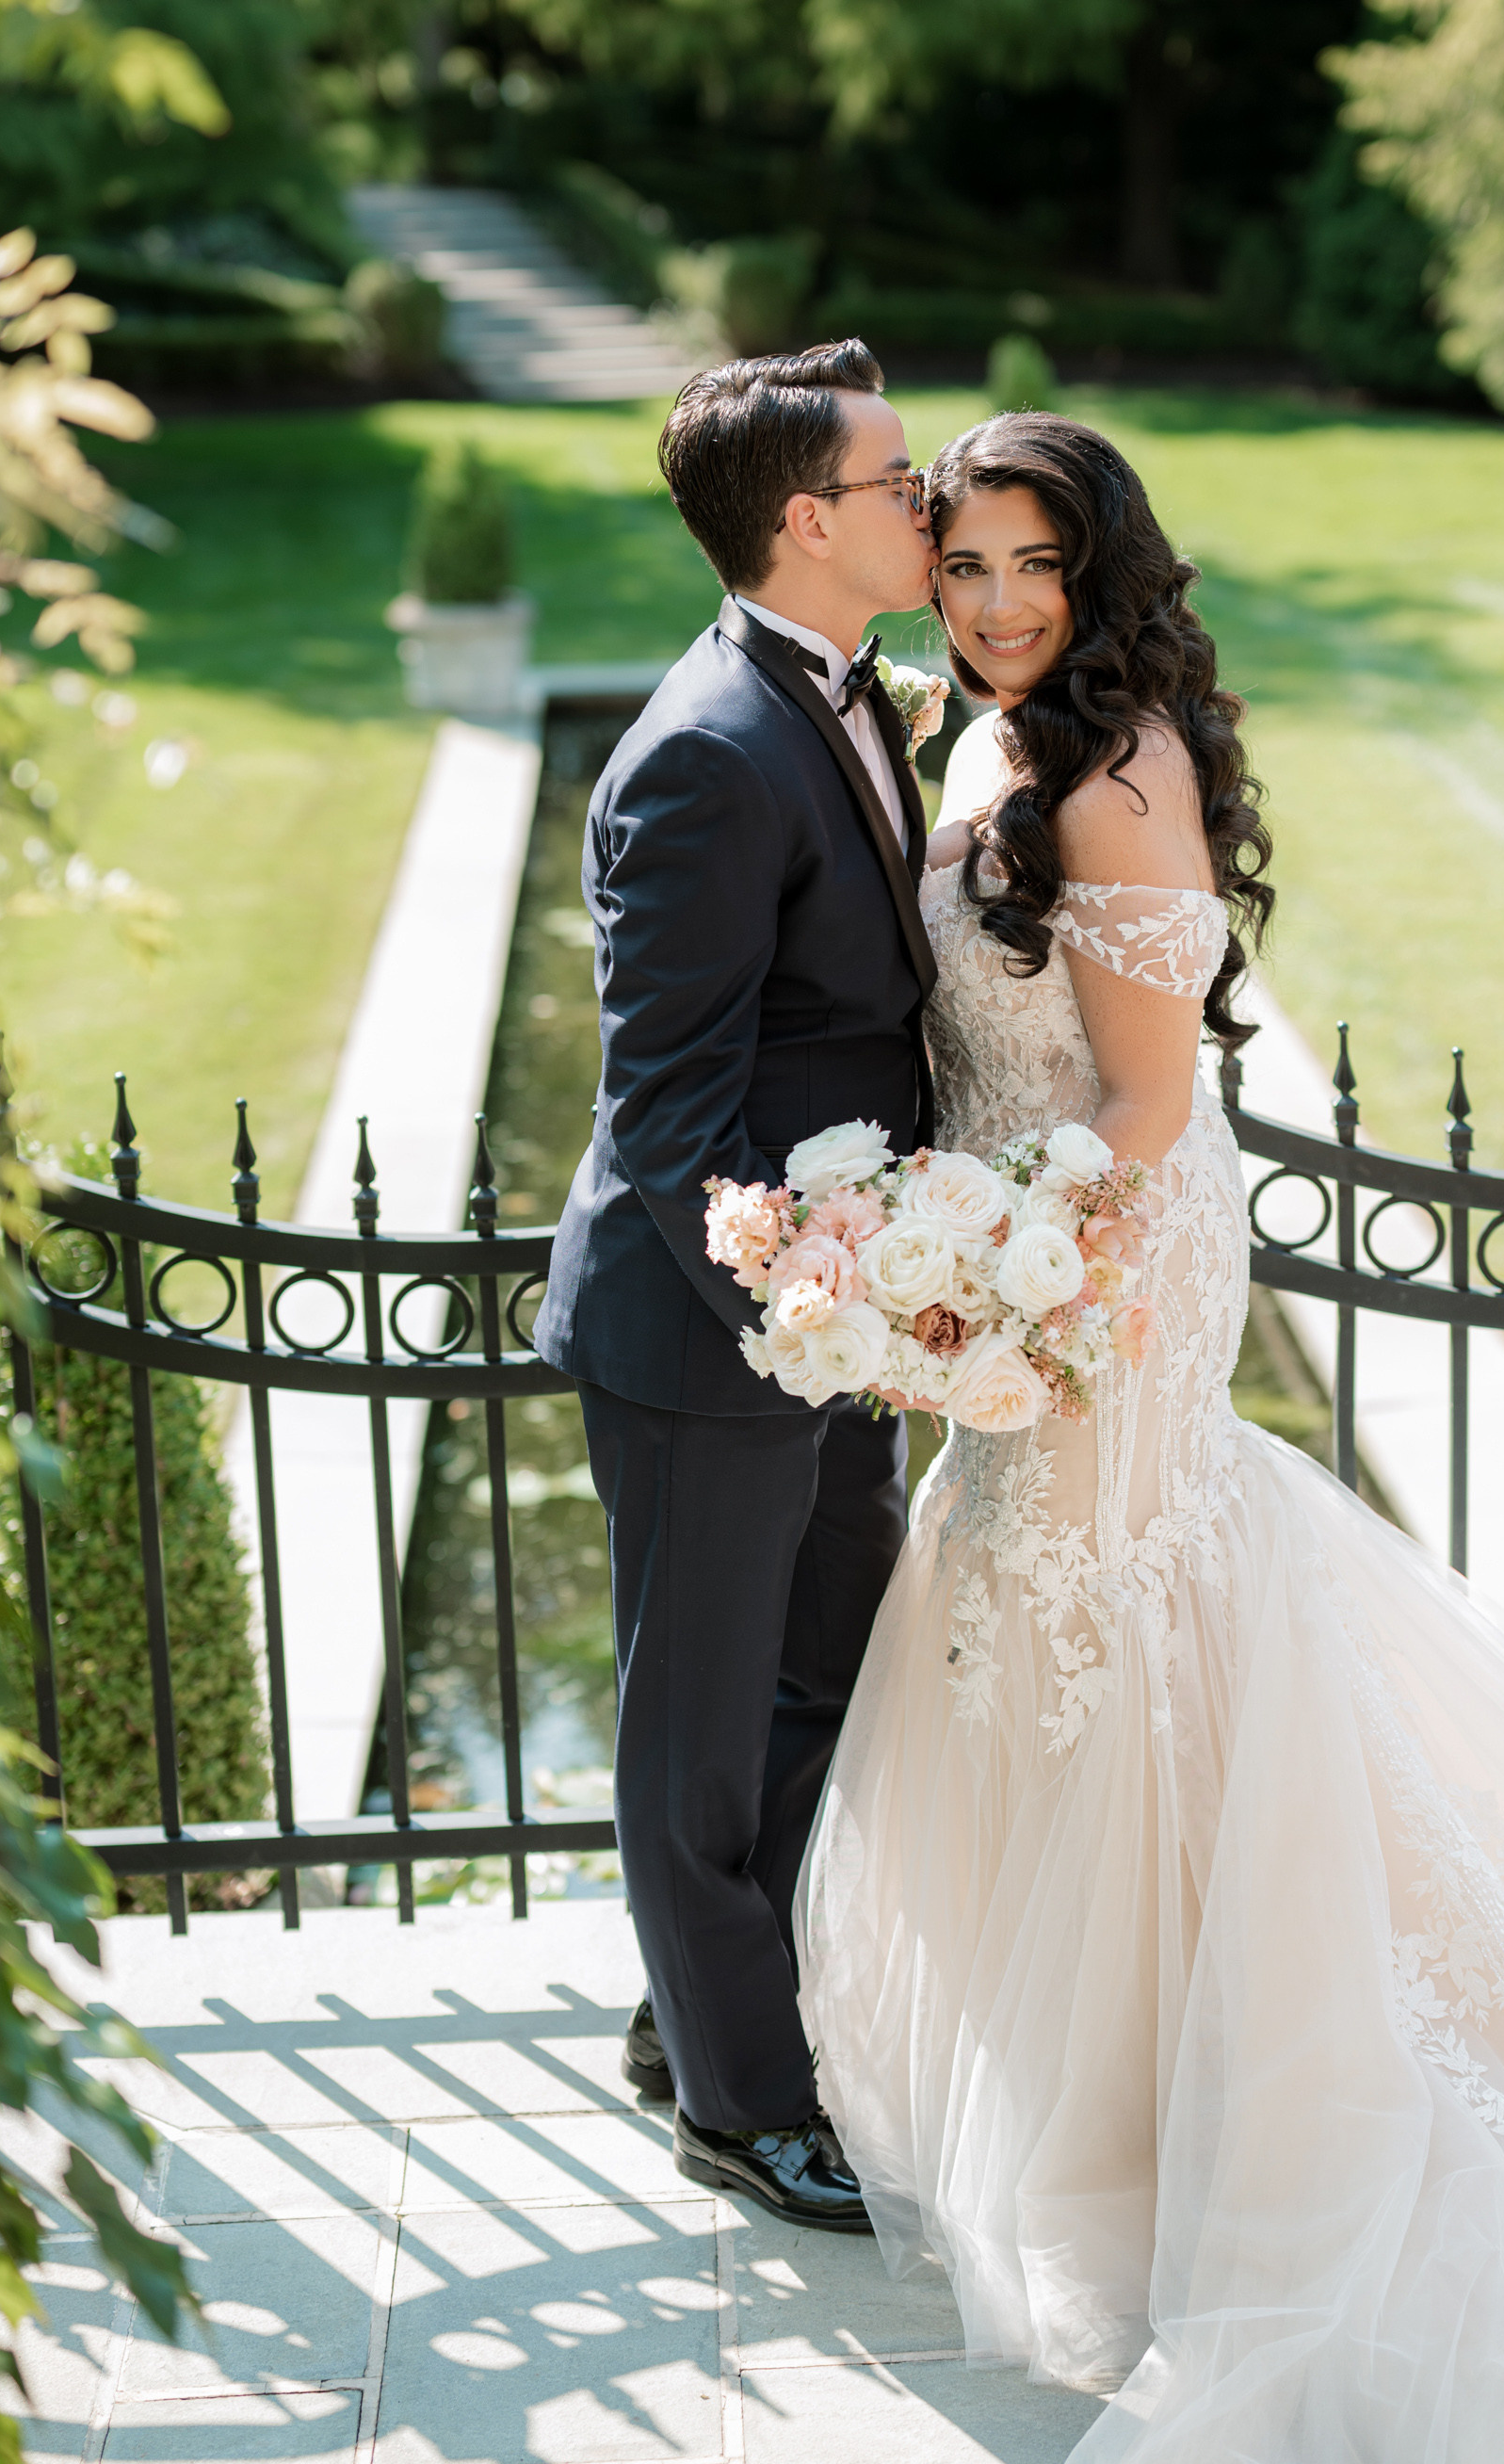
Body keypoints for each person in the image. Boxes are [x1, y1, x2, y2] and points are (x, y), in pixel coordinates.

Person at [796, 410, 1504, 2457]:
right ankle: (1114, 2095)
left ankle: (1223, 2102)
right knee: (1028, 1625)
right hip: (1019, 1247)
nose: (1000, 603)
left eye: (1038, 567)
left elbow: (1144, 1102)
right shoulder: (981, 733)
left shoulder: (1119, 771)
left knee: (1120, 1618)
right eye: (969, 565)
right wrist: (938, 1256)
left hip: (1107, 1252)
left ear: (1101, 575)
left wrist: (1002, 1268)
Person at [537, 337, 936, 2233]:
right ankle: (738, 2105)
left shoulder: (842, 691)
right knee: (694, 1733)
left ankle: (688, 2009)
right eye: (899, 481)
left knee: (831, 1679)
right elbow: (671, 1112)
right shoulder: (705, 751)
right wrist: (794, 1326)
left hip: (829, 1319)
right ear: (806, 520)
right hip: (718, 1339)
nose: (929, 503)